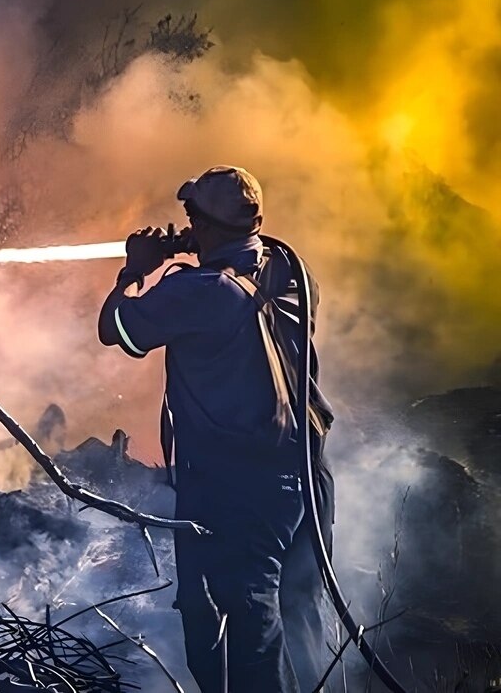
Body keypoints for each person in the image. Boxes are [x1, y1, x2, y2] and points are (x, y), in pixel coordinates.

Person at [97, 165, 335, 692]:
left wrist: (134, 271)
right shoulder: (291, 272)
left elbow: (115, 328)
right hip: (306, 477)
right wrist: (193, 253)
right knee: (300, 619)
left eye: (192, 218)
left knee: (238, 631)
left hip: (237, 489)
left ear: (205, 225)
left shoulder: (202, 291)